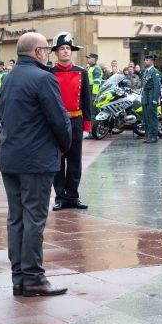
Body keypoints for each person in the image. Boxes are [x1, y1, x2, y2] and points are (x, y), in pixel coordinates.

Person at [0, 32, 71, 297]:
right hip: (36, 160)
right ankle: (33, 278)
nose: (49, 54)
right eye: (48, 49)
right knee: (33, 219)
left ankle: (19, 278)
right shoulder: (43, 78)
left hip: (11, 158)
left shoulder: (9, 77)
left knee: (16, 218)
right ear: (39, 52)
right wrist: (65, 146)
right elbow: (59, 119)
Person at [49, 32, 91, 211]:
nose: (65, 51)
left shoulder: (81, 72)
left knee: (75, 160)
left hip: (75, 120)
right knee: (58, 161)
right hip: (57, 124)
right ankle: (60, 197)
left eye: (68, 48)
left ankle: (73, 196)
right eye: (62, 49)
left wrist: (87, 126)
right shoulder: (50, 73)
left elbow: (87, 100)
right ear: (56, 52)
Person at [141, 54, 161, 144]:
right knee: (146, 117)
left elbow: (157, 86)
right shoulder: (146, 71)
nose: (145, 61)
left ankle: (153, 136)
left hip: (151, 95)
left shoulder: (154, 72)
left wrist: (155, 98)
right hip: (145, 96)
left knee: (152, 117)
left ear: (152, 61)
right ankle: (148, 135)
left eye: (147, 60)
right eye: (145, 60)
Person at [86, 53, 103, 120]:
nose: (88, 59)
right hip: (89, 90)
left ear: (94, 59)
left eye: (89, 58)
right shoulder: (91, 67)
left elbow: (96, 83)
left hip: (92, 91)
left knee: (93, 111)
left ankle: (93, 127)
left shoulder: (96, 69)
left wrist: (94, 95)